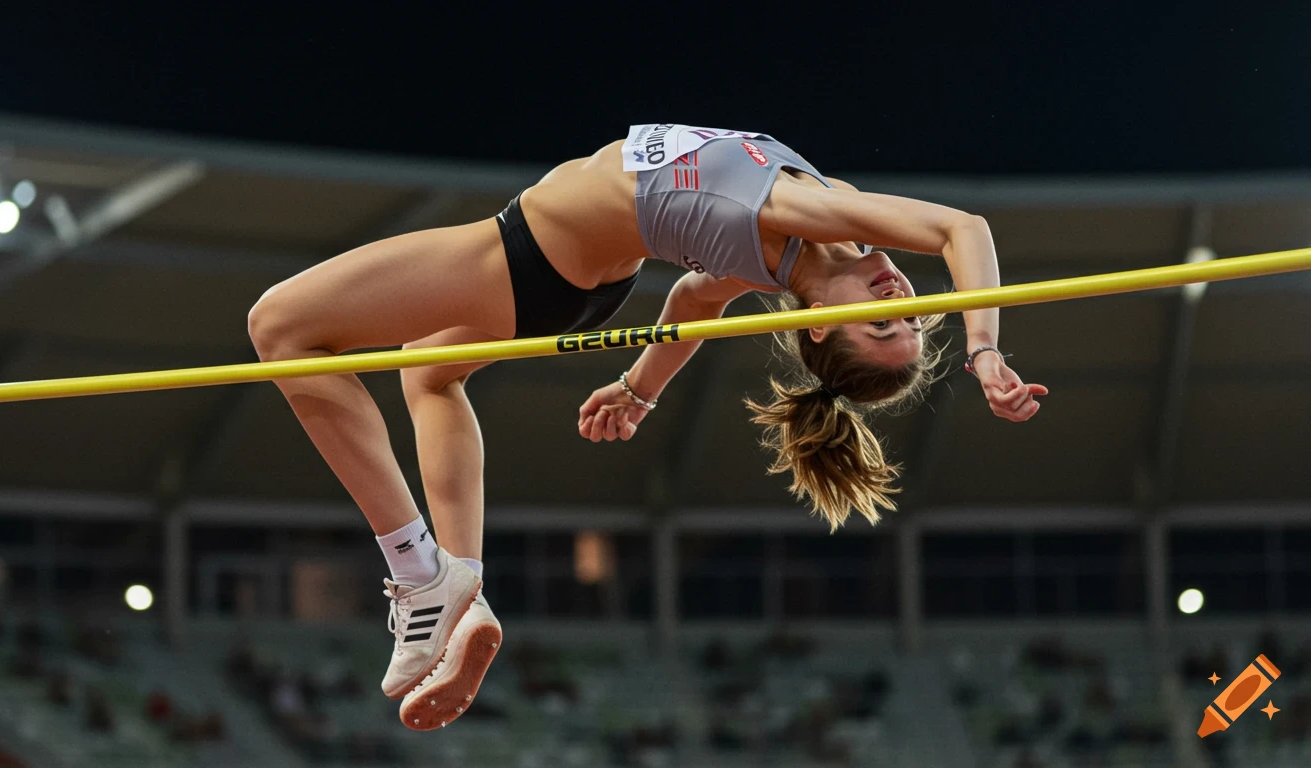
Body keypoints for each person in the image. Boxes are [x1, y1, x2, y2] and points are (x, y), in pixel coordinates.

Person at [246, 123, 1047, 730]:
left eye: (885, 322)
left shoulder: (802, 215)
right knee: (430, 374)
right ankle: (462, 588)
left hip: (527, 256)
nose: (900, 295)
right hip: (583, 270)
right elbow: (696, 300)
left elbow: (962, 227)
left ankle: (421, 575)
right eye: (911, 313)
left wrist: (984, 352)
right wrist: (639, 386)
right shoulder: (806, 241)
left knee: (281, 327)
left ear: (816, 327)